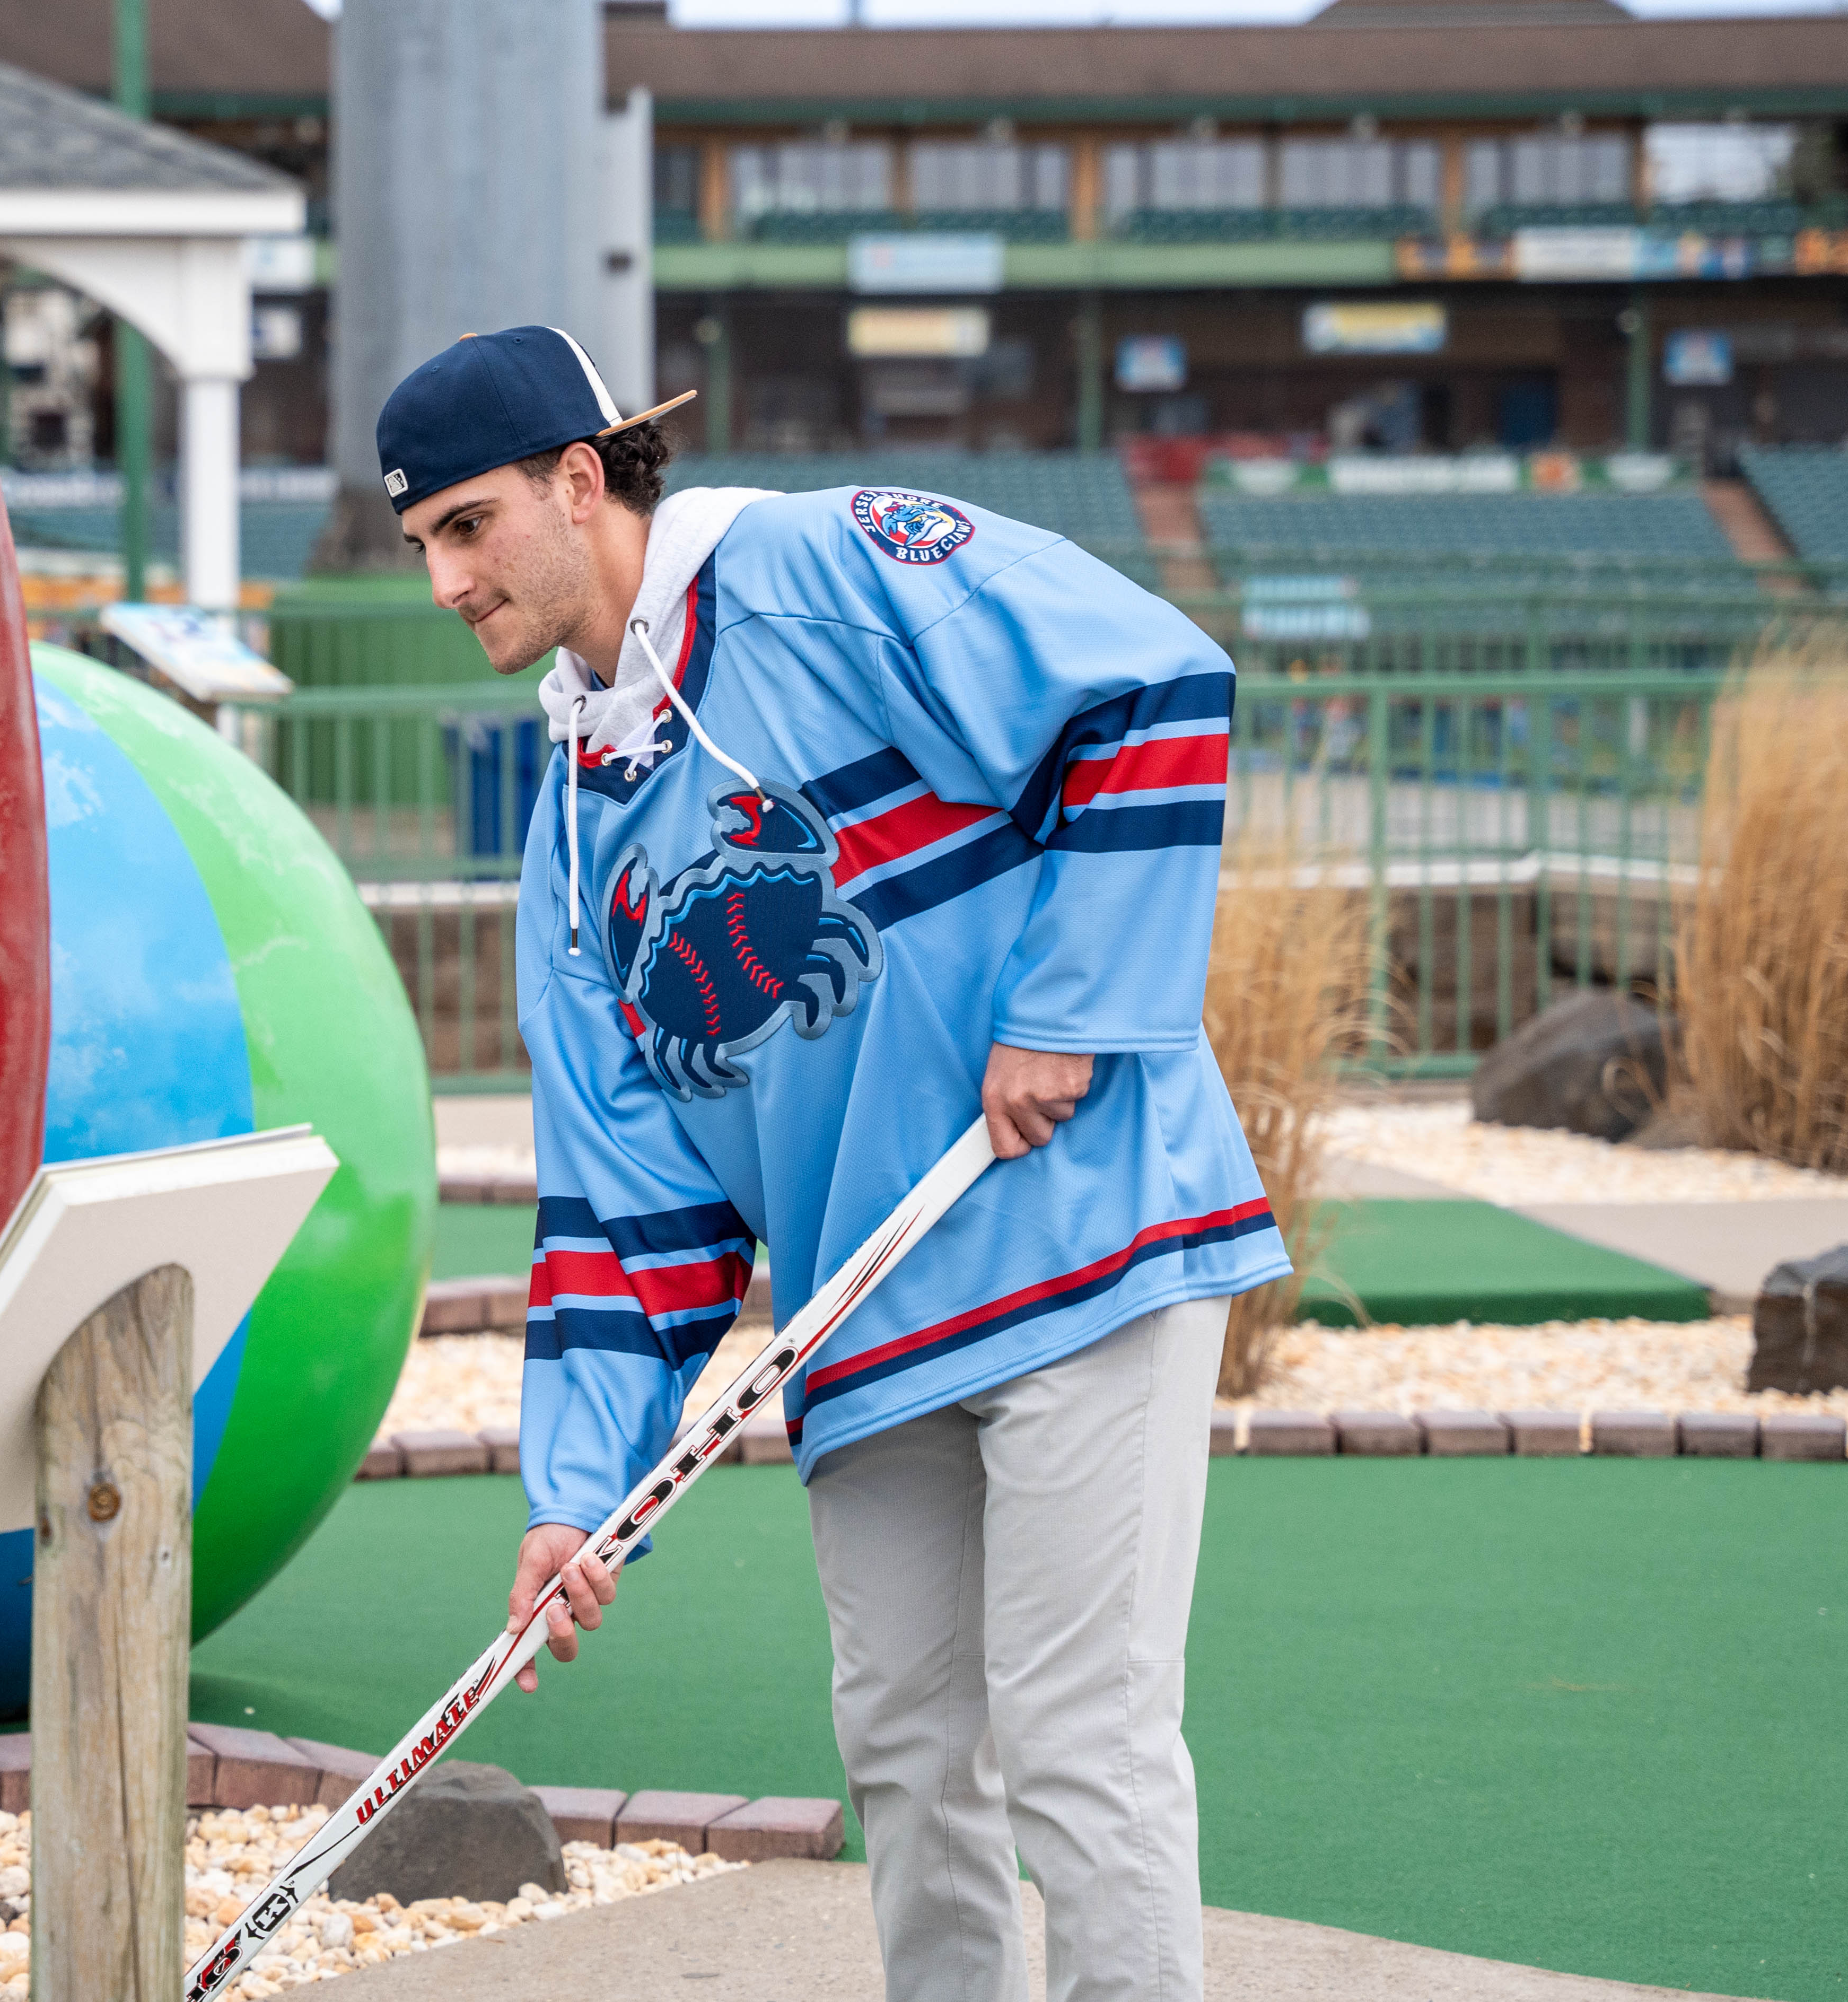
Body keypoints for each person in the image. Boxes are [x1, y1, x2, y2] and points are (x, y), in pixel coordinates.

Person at [374, 326, 1288, 2002]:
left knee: (1079, 1740)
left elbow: (1153, 684)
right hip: (864, 1326)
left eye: (468, 525)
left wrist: (1067, 1009)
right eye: (422, 542)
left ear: (579, 481)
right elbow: (626, 1217)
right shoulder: (565, 843)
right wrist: (579, 1495)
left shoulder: (827, 566)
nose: (445, 580)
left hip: (1084, 1231)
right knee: (910, 1758)